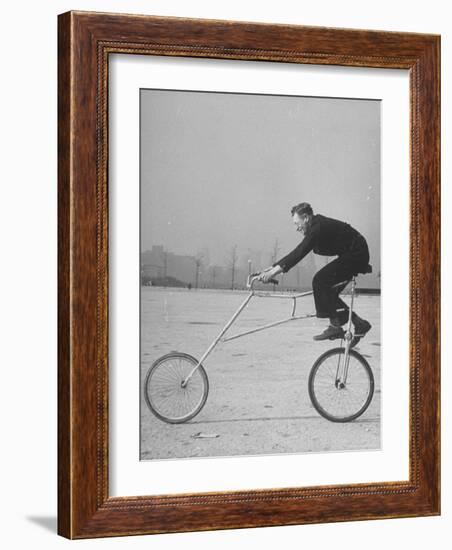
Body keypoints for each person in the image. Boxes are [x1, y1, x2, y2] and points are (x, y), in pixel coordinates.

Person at [259, 203, 372, 341]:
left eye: (297, 223)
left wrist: (273, 272)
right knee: (328, 292)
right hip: (353, 252)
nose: (296, 228)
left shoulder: (317, 227)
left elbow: (299, 252)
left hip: (357, 253)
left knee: (320, 281)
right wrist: (273, 268)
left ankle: (336, 326)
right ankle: (359, 323)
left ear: (306, 218)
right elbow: (298, 251)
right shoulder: (316, 225)